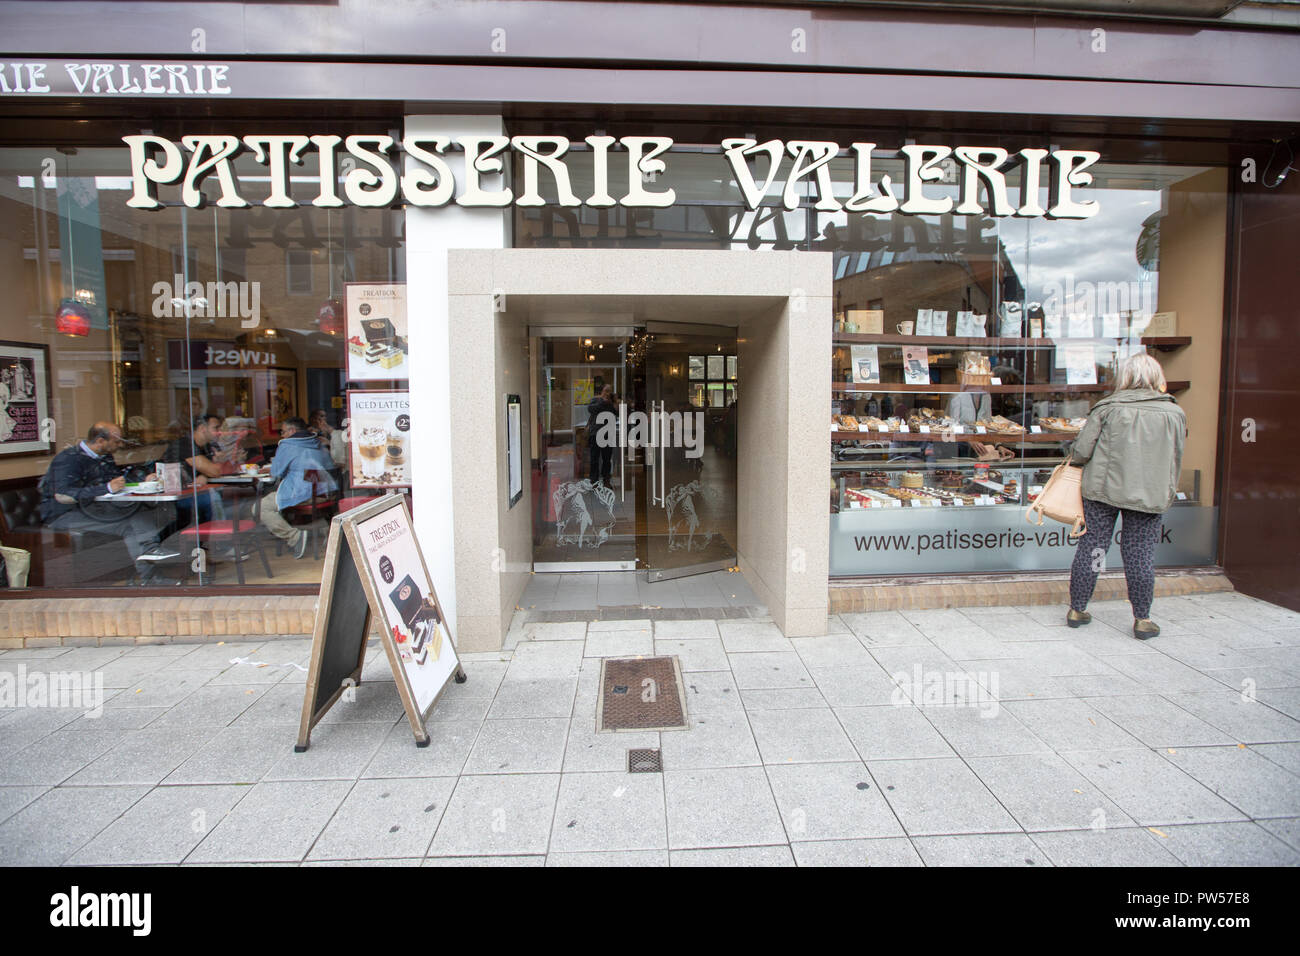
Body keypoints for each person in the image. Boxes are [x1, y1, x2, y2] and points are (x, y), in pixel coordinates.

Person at [1066, 354, 1186, 639]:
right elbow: (1177, 456)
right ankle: (1142, 618)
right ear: (1157, 378)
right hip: (1149, 492)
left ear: (1126, 377)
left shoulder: (1108, 408)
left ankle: (1077, 609)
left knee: (1093, 547)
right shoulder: (1174, 413)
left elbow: (1081, 451)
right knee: (1140, 553)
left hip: (1102, 491)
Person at [37, 421, 173, 581]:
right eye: (116, 441)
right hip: (64, 514)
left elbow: (115, 481)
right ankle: (152, 571)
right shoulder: (68, 459)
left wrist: (143, 479)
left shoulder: (104, 456)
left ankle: (151, 560)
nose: (120, 444)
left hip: (93, 508)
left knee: (140, 513)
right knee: (129, 524)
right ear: (101, 441)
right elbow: (63, 495)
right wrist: (106, 488)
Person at [257, 417, 337, 558]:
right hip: (323, 492)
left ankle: (294, 537)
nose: (282, 435)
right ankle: (323, 527)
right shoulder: (317, 442)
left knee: (260, 507)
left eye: (283, 431)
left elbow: (276, 472)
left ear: (292, 430)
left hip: (300, 493)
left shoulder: (287, 444)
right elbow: (330, 465)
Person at [585, 384, 616, 487]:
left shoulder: (612, 403)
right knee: (594, 458)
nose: (607, 393)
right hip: (595, 434)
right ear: (602, 391)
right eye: (606, 390)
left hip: (608, 434)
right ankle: (594, 480)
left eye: (609, 391)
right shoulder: (596, 400)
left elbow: (618, 413)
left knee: (607, 459)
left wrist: (613, 402)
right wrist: (603, 402)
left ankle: (606, 479)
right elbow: (590, 409)